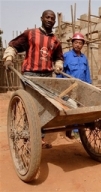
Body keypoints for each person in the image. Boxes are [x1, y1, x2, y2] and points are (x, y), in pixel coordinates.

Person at [3, 9, 64, 148]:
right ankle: (28, 136)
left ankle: (39, 138)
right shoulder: (30, 34)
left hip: (47, 77)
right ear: (41, 18)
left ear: (55, 21)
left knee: (44, 108)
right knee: (29, 107)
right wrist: (8, 57)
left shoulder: (55, 40)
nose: (50, 20)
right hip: (30, 75)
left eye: (52, 18)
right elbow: (14, 45)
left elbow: (58, 57)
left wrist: (58, 66)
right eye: (47, 17)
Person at [57, 32, 92, 139]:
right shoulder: (66, 56)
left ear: (83, 45)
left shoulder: (84, 58)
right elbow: (59, 73)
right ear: (72, 43)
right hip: (69, 89)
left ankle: (74, 130)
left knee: (79, 109)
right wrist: (60, 89)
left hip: (81, 88)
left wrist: (89, 86)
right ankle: (74, 131)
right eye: (76, 42)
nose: (78, 45)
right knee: (72, 108)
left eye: (80, 43)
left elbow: (87, 73)